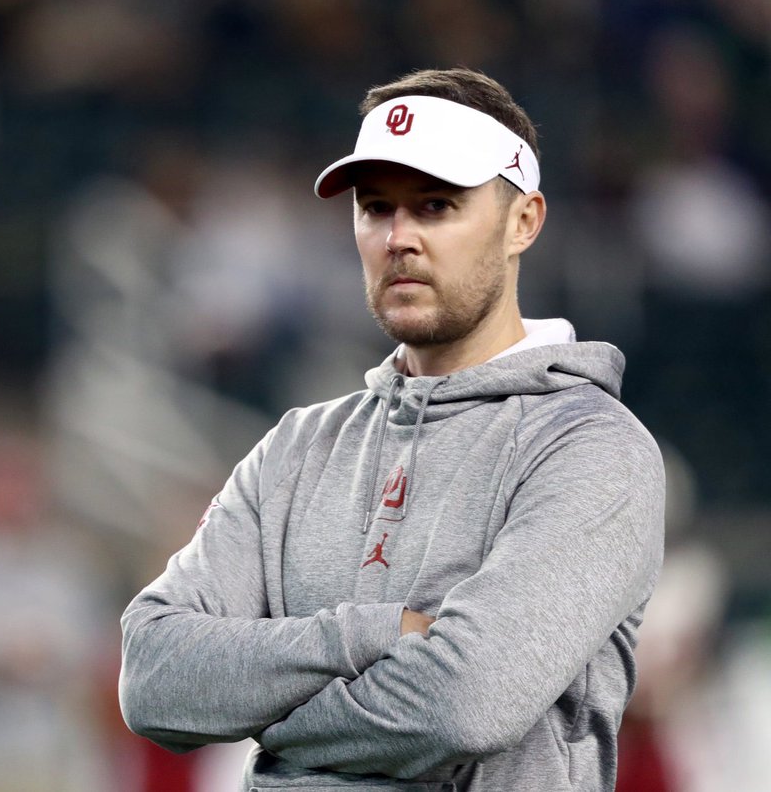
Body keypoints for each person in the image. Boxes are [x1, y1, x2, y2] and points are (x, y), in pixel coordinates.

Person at [118, 67, 665, 791]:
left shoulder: (590, 446)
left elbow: (464, 705)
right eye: (376, 208)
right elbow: (153, 676)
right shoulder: (297, 445)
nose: (399, 238)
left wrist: (271, 732)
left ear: (523, 222)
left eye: (436, 205)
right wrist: (377, 636)